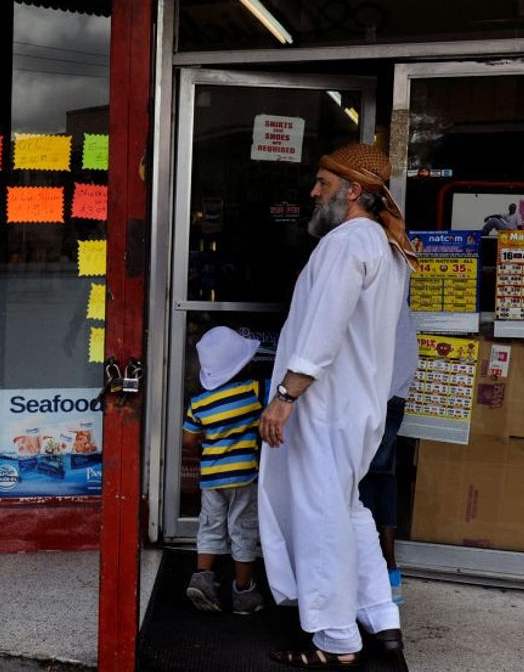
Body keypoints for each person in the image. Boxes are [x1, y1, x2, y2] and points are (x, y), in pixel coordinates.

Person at [257, 143, 417, 668]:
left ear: (353, 191)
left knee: (321, 515)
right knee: (348, 510)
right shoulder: (383, 245)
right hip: (356, 406)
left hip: (324, 408)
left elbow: (323, 327)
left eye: (323, 184)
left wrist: (284, 397)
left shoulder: (348, 243)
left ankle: (335, 640)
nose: (313, 193)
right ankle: (380, 617)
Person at [182, 326, 266, 615]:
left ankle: (202, 579)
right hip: (244, 475)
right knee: (242, 528)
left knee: (211, 525)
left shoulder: (199, 403)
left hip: (211, 477)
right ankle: (243, 593)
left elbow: (189, 441)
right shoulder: (254, 392)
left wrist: (208, 443)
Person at [357, 298, 417, 606]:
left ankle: (374, 574)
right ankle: (390, 574)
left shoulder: (374, 295)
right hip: (394, 395)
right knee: (383, 477)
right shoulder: (398, 293)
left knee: (362, 480)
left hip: (374, 395)